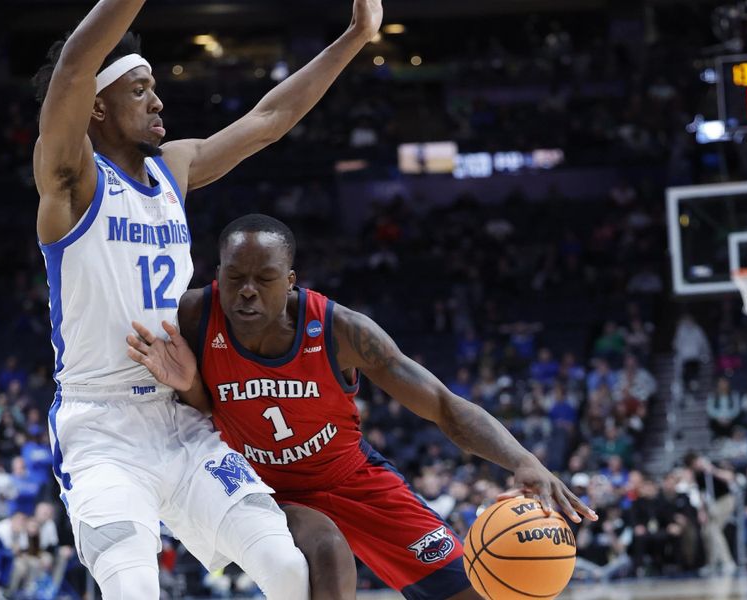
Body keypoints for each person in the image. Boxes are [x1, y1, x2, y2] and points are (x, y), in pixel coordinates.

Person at [32, 0, 383, 597]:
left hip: (184, 412)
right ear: (96, 105)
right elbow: (72, 67)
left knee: (289, 569)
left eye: (154, 88)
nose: (158, 100)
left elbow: (270, 118)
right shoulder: (72, 180)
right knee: (133, 586)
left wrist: (355, 36)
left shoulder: (174, 167)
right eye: (139, 90)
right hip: (101, 426)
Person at [127, 214, 598, 600]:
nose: (247, 290)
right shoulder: (194, 316)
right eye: (235, 278)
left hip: (351, 478)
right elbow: (200, 406)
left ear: (290, 281)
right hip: (260, 487)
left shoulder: (341, 331)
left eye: (264, 279)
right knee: (328, 550)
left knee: (469, 592)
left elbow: (441, 405)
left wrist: (522, 459)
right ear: (218, 277)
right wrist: (188, 387)